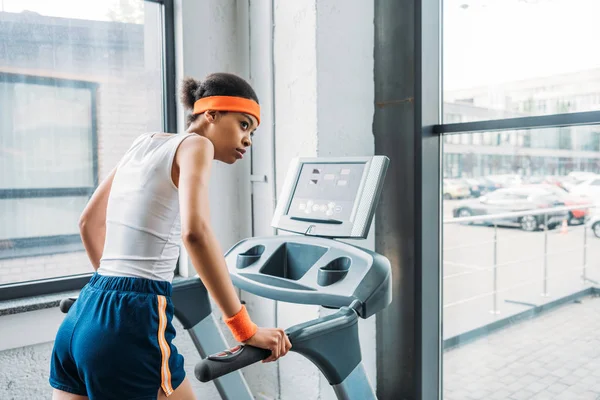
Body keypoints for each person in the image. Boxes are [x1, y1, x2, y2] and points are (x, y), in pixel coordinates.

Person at [50, 72, 292, 400]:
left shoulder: (143, 142)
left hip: (85, 312)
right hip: (131, 321)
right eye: (244, 124)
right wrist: (244, 329)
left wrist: (112, 295)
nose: (248, 139)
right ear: (211, 114)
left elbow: (89, 223)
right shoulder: (197, 145)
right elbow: (195, 233)